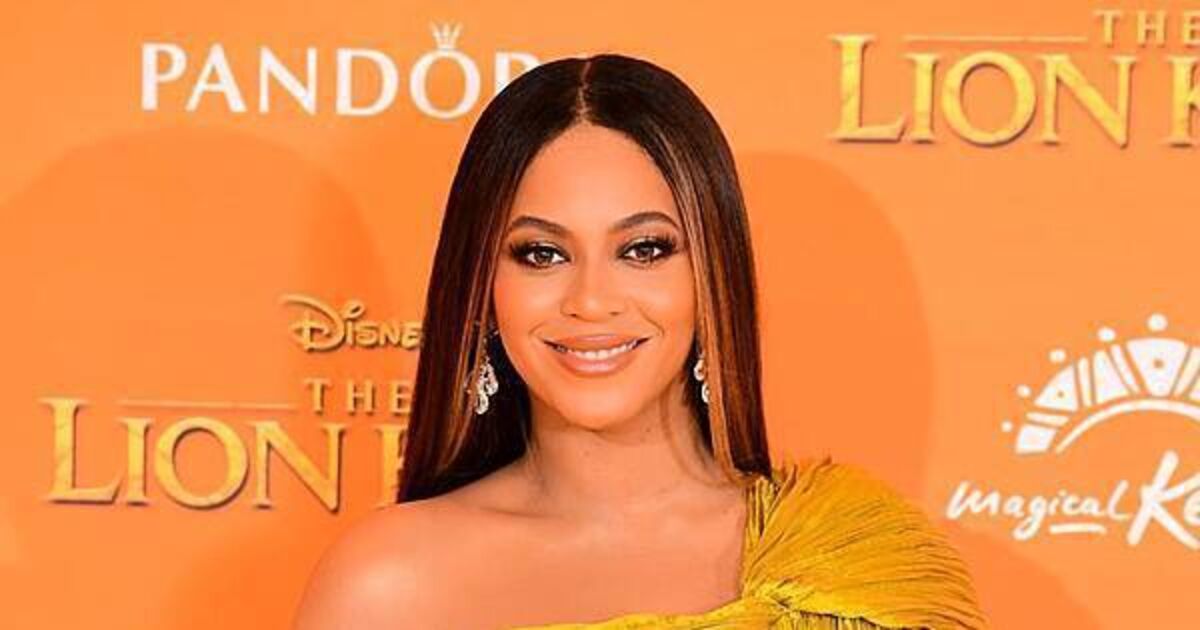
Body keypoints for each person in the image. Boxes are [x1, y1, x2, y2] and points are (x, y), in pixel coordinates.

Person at [293, 53, 988, 630]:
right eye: (541, 254)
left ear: (712, 275)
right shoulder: (388, 585)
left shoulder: (855, 563)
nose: (591, 300)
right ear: (482, 287)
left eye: (644, 249)